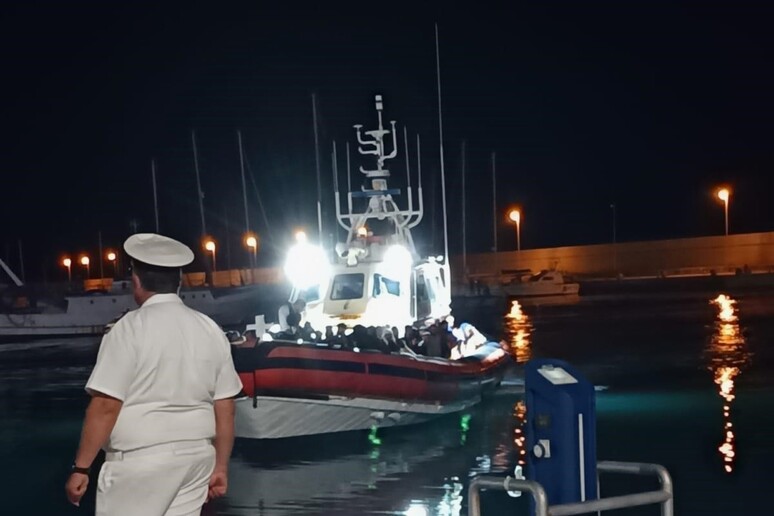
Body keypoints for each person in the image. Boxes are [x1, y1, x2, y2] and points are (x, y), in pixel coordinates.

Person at [65, 233, 243, 516]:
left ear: (136, 280)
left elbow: (106, 406)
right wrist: (220, 466)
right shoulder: (210, 329)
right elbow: (226, 407)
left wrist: (82, 467)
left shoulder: (128, 329)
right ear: (179, 282)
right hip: (197, 461)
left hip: (140, 463)